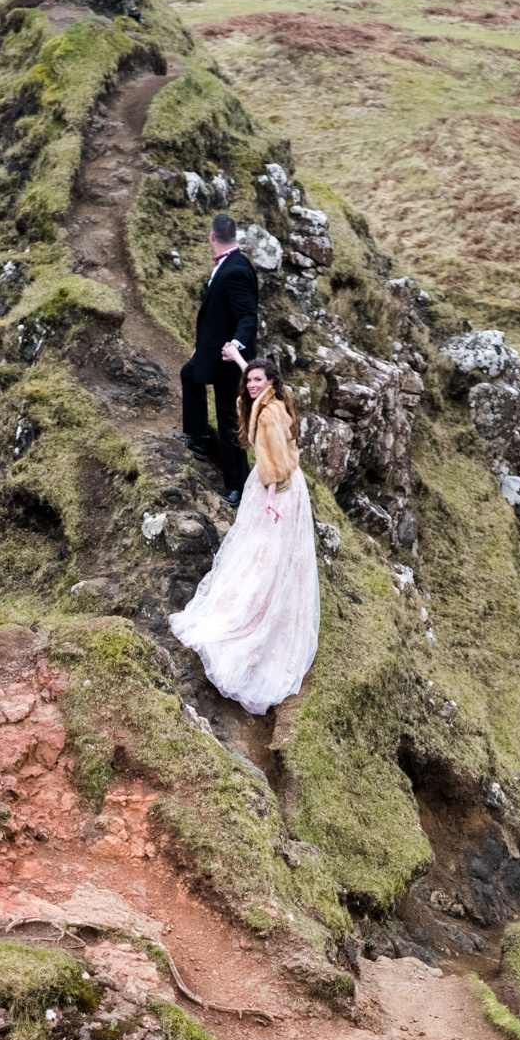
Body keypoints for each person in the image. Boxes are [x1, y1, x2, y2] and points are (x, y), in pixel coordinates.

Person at [171, 355, 320, 715]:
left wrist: (269, 500)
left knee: (262, 551)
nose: (252, 385)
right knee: (276, 554)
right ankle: (273, 607)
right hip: (289, 487)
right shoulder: (276, 400)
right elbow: (278, 452)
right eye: (249, 380)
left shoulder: (267, 414)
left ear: (270, 382)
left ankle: (256, 613)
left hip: (277, 489)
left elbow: (276, 464)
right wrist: (240, 360)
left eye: (257, 380)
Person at [181, 210, 260, 493]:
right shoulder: (233, 263)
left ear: (212, 236)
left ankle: (237, 487)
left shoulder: (236, 270)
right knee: (189, 374)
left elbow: (248, 316)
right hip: (214, 349)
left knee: (228, 421)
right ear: (234, 236)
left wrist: (236, 346)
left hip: (230, 359)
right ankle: (199, 436)